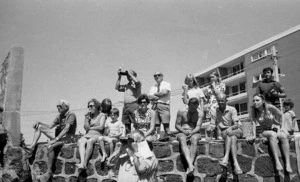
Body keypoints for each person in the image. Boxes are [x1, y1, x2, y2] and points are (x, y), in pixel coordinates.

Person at [25, 100, 77, 180]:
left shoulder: (71, 115)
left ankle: (49, 172)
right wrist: (40, 122)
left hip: (67, 138)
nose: (58, 108)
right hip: (60, 137)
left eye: (60, 106)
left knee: (50, 147)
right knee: (39, 127)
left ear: (66, 107)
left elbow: (66, 129)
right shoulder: (59, 116)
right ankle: (32, 146)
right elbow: (50, 126)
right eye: (57, 106)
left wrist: (55, 139)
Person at [249, 94, 292, 172]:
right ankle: (276, 161)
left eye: (257, 100)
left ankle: (288, 163)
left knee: (283, 137)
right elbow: (253, 123)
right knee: (272, 135)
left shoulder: (269, 107)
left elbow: (281, 115)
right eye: (254, 101)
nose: (255, 102)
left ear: (263, 101)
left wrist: (282, 127)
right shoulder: (254, 110)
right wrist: (253, 135)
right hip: (265, 131)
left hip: (275, 128)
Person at [209, 92, 243, 174]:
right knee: (232, 137)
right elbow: (212, 124)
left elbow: (236, 124)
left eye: (222, 101)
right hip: (226, 132)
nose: (220, 102)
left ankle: (226, 157)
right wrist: (210, 129)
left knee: (230, 134)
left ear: (226, 100)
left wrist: (231, 127)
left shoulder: (232, 109)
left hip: (235, 130)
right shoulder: (214, 111)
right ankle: (236, 164)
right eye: (219, 101)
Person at [76, 99, 107, 169]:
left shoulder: (102, 115)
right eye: (88, 106)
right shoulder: (88, 116)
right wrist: (86, 119)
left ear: (96, 106)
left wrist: (91, 128)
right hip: (88, 134)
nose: (89, 108)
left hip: (97, 134)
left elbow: (101, 127)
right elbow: (86, 128)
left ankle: (85, 163)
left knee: (90, 141)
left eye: (91, 106)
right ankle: (82, 163)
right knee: (81, 141)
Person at [175, 97, 203, 175]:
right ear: (188, 105)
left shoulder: (200, 113)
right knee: (182, 138)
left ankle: (190, 165)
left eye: (195, 108)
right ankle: (190, 165)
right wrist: (184, 131)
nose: (193, 109)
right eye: (191, 107)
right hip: (183, 131)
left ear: (197, 106)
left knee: (194, 139)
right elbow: (177, 125)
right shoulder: (181, 111)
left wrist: (192, 132)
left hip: (194, 131)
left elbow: (198, 127)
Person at [115, 68, 141, 134]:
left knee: (136, 123)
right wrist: (119, 76)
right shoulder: (127, 86)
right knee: (126, 123)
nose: (128, 77)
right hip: (126, 106)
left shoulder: (137, 85)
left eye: (129, 75)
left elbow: (137, 82)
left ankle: (137, 137)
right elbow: (117, 87)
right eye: (127, 76)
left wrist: (131, 75)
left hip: (134, 105)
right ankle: (128, 137)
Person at [148, 71, 171, 138]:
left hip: (164, 105)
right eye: (155, 76)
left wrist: (154, 94)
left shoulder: (166, 84)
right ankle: (157, 139)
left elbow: (164, 92)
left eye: (158, 75)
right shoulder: (153, 87)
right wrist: (159, 94)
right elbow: (149, 97)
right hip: (154, 106)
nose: (157, 76)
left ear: (162, 76)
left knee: (166, 125)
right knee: (156, 125)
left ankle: (168, 139)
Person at [205, 70, 226, 139]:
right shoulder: (208, 87)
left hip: (218, 105)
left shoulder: (222, 85)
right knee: (212, 124)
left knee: (219, 123)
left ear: (217, 77)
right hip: (211, 107)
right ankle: (214, 139)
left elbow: (219, 94)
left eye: (213, 77)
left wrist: (214, 86)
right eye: (210, 77)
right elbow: (207, 98)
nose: (211, 79)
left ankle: (219, 137)